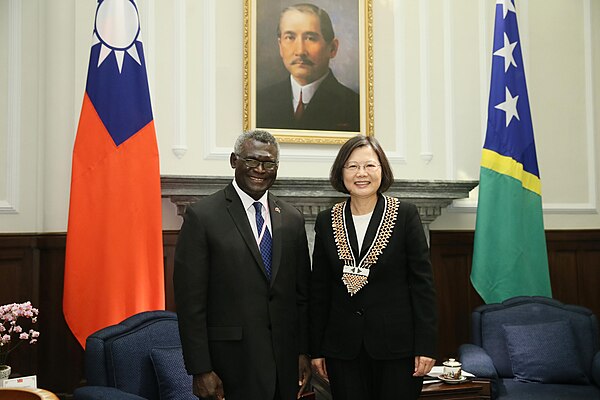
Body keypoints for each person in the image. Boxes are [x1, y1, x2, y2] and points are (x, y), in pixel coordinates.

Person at [174, 130, 312, 400]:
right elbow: (191, 303)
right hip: (229, 367)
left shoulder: (292, 219)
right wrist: (201, 369)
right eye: (252, 160)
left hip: (284, 366)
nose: (260, 169)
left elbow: (302, 295)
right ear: (234, 160)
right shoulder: (203, 217)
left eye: (269, 163)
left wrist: (303, 351)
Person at [309, 135, 437, 399]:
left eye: (369, 165)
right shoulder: (326, 220)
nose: (361, 174)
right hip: (342, 349)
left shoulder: (405, 215)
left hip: (399, 349)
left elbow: (422, 285)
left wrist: (426, 346)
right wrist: (317, 348)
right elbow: (320, 291)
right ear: (341, 172)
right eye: (352, 166)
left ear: (382, 170)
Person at [257, 3, 359, 132]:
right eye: (290, 37)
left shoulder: (354, 107)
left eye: (310, 38)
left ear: (332, 48)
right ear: (280, 46)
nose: (300, 51)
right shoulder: (260, 102)